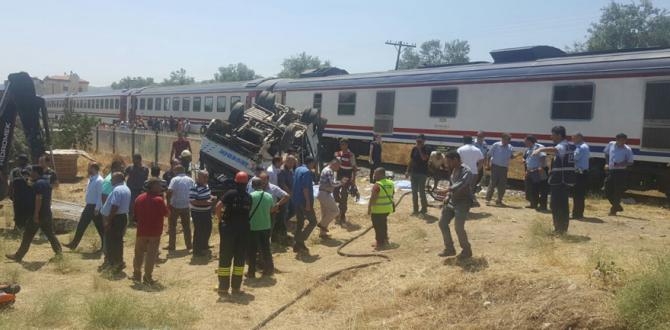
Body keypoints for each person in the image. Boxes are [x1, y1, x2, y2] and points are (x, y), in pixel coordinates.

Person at [6, 165, 62, 262]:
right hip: (47, 213)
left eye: (32, 172)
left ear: (36, 173)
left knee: (27, 235)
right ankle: (59, 252)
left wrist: (36, 214)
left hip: (38, 215)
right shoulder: (46, 182)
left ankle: (18, 256)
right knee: (50, 234)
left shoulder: (38, 184)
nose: (30, 173)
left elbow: (38, 198)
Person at [533, 126, 576, 234]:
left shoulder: (563, 145)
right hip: (565, 179)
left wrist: (540, 149)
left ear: (559, 135)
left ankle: (559, 229)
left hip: (560, 180)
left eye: (553, 134)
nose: (551, 136)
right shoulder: (570, 146)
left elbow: (556, 149)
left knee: (557, 205)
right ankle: (561, 228)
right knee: (562, 204)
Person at [215, 172, 252, 295]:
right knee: (239, 259)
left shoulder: (230, 194)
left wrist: (220, 219)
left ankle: (223, 287)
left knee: (225, 257)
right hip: (243, 231)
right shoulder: (248, 197)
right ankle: (236, 287)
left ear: (236, 182)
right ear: (246, 183)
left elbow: (218, 206)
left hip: (229, 229)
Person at [132, 178, 169, 284]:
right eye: (158, 185)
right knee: (151, 255)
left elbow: (134, 215)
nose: (160, 187)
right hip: (154, 232)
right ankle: (147, 277)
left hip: (141, 231)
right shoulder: (159, 200)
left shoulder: (139, 198)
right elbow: (167, 214)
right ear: (152, 187)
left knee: (138, 253)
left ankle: (136, 274)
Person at [437, 151, 474, 259]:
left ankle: (466, 251)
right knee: (442, 223)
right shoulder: (453, 170)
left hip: (463, 202)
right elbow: (452, 184)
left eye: (449, 161)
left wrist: (447, 190)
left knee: (458, 227)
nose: (447, 164)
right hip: (452, 200)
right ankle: (449, 249)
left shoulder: (466, 171)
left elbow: (462, 183)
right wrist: (447, 196)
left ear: (456, 160)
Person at [64, 162, 104, 251]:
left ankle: (105, 246)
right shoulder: (91, 179)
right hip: (89, 206)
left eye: (89, 167)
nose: (87, 169)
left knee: (100, 228)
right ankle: (73, 244)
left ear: (94, 169)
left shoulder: (99, 180)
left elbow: (100, 196)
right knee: (82, 225)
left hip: (94, 207)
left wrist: (97, 208)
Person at [100, 172, 131, 272]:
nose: (110, 181)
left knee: (112, 241)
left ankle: (113, 263)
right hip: (121, 217)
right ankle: (118, 262)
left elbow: (114, 206)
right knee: (118, 241)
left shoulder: (117, 190)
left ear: (117, 179)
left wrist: (108, 220)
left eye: (112, 179)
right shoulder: (126, 188)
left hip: (115, 218)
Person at [247, 178, 276, 278]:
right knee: (266, 249)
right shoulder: (269, 196)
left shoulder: (250, 196)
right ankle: (269, 269)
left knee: (252, 250)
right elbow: (272, 210)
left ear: (253, 186)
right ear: (261, 185)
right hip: (266, 226)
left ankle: (251, 272)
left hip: (253, 227)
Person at [603, 133, 634, 216]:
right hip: (611, 170)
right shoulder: (611, 144)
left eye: (624, 140)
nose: (622, 142)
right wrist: (606, 163)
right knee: (607, 190)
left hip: (621, 172)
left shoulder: (627, 149)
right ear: (616, 139)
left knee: (617, 191)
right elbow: (606, 153)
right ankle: (617, 206)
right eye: (620, 140)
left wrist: (621, 164)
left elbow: (630, 162)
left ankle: (613, 210)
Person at [292, 156, 318, 254]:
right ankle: (299, 241)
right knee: (313, 221)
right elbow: (305, 189)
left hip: (296, 200)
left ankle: (298, 244)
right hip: (304, 201)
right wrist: (308, 203)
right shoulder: (307, 172)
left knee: (300, 223)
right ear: (311, 163)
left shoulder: (298, 169)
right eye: (314, 163)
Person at [166, 165, 194, 251]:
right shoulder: (190, 180)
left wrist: (168, 203)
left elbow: (169, 191)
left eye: (174, 171)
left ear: (177, 171)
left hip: (175, 205)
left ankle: (172, 245)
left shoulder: (174, 179)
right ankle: (189, 245)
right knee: (186, 226)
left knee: (172, 226)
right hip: (186, 205)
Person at [190, 170, 215, 257]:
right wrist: (207, 203)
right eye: (204, 177)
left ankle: (204, 245)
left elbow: (207, 195)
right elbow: (193, 201)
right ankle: (197, 250)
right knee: (199, 231)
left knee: (208, 228)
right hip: (198, 213)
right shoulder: (194, 187)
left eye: (207, 177)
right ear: (198, 177)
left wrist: (211, 197)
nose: (206, 179)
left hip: (206, 212)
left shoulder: (206, 185)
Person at [368, 167, 394, 250]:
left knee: (377, 226)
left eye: (375, 174)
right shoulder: (391, 183)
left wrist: (369, 208)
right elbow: (392, 194)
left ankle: (379, 243)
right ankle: (385, 239)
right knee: (383, 223)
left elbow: (373, 198)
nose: (374, 175)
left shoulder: (377, 185)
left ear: (380, 175)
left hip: (378, 209)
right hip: (387, 208)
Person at [485, 133, 514, 206]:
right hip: (495, 166)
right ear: (502, 139)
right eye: (504, 139)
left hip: (504, 168)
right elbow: (489, 155)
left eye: (507, 140)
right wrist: (488, 165)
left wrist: (517, 156)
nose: (505, 141)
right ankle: (488, 199)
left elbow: (511, 157)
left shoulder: (510, 147)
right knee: (492, 183)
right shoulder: (496, 145)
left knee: (502, 185)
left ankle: (499, 200)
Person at [333, 139, 358, 224]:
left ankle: (342, 213)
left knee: (344, 194)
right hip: (339, 177)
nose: (342, 146)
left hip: (347, 178)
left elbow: (354, 169)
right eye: (341, 145)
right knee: (335, 192)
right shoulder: (338, 154)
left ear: (347, 145)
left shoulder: (351, 155)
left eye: (344, 144)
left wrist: (353, 181)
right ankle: (341, 205)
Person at [317, 159, 342, 239]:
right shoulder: (329, 171)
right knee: (335, 211)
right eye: (338, 166)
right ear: (334, 164)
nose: (338, 168)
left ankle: (322, 234)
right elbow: (332, 184)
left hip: (323, 193)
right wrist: (341, 182)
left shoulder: (326, 169)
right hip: (325, 193)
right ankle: (322, 224)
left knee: (325, 214)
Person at [523, 136, 548, 211]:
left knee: (542, 188)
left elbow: (543, 157)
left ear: (530, 141)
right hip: (530, 170)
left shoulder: (539, 147)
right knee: (531, 188)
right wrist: (527, 170)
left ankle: (542, 205)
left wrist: (541, 167)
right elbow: (528, 159)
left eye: (525, 141)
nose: (524, 143)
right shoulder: (528, 149)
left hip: (539, 170)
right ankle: (533, 203)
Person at [275, 155, 297, 244]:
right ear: (286, 161)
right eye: (290, 162)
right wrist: (290, 194)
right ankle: (281, 234)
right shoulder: (282, 171)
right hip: (284, 197)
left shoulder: (290, 170)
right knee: (284, 213)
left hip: (291, 195)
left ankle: (284, 224)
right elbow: (282, 184)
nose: (292, 164)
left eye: (293, 163)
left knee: (293, 210)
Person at [457, 136, 484, 206]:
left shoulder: (460, 149)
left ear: (464, 141)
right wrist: (477, 169)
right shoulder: (477, 150)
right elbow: (481, 161)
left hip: (463, 172)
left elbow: (457, 161)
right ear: (471, 141)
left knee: (461, 188)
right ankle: (468, 204)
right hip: (474, 173)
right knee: (471, 189)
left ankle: (461, 204)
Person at [406, 134, 429, 216]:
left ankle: (424, 209)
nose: (418, 142)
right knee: (414, 192)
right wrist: (407, 170)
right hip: (414, 172)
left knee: (422, 192)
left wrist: (419, 149)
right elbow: (411, 160)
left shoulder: (427, 148)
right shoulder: (414, 149)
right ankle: (415, 209)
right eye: (417, 141)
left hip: (422, 173)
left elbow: (424, 158)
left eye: (420, 141)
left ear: (424, 141)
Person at [8, 154, 32, 230]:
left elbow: (33, 181)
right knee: (18, 210)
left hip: (27, 194)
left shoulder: (30, 169)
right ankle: (18, 226)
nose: (18, 161)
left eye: (19, 159)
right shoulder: (14, 170)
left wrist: (11, 193)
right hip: (19, 195)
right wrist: (10, 193)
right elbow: (11, 183)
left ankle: (24, 227)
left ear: (24, 160)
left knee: (25, 210)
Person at [125, 154, 149, 224]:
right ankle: (131, 220)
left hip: (141, 190)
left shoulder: (145, 169)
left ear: (139, 159)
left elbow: (145, 179)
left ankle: (139, 220)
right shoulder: (130, 168)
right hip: (131, 189)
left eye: (134, 159)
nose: (133, 160)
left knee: (140, 205)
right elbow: (124, 175)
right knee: (131, 205)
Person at [572, 132, 591, 219]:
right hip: (581, 173)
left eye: (574, 138)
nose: (572, 140)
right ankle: (577, 213)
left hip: (580, 173)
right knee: (578, 194)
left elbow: (574, 159)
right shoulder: (583, 146)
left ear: (579, 138)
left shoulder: (581, 147)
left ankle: (577, 214)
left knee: (578, 194)